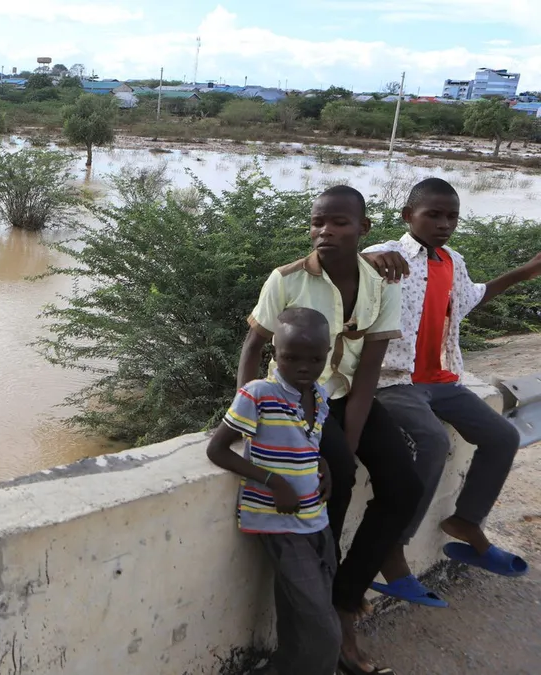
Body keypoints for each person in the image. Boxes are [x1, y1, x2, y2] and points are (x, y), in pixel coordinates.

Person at [238, 185, 422, 675]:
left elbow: (368, 374)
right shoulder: (287, 279)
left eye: (340, 222)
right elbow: (253, 347)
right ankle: (333, 635)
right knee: (331, 496)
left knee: (404, 487)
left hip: (348, 400)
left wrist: (351, 441)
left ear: (363, 229)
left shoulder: (383, 282)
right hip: (295, 405)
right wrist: (253, 413)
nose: (326, 231)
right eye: (319, 222)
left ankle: (345, 599)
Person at [362, 177, 533, 605]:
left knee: (503, 436)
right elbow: (340, 261)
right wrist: (369, 257)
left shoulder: (452, 260)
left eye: (451, 216)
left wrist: (529, 269)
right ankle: (393, 548)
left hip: (442, 379)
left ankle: (466, 522)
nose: (444, 224)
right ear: (408, 216)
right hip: (394, 379)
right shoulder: (388, 253)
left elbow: (476, 297)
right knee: (432, 440)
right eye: (433, 214)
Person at [207, 307, 338, 675]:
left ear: (327, 353)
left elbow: (306, 444)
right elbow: (217, 450)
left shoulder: (320, 396)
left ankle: (283, 668)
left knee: (301, 612)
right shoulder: (258, 394)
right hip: (279, 524)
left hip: (316, 519)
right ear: (274, 353)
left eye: (314, 358)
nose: (302, 366)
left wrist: (322, 464)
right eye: (290, 357)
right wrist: (274, 481)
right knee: (324, 627)